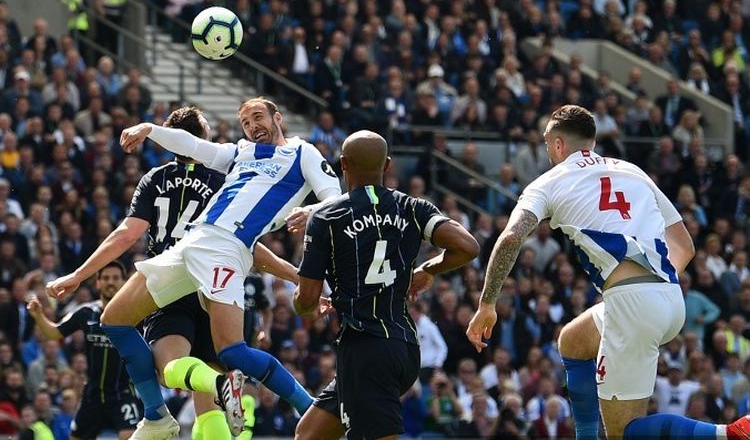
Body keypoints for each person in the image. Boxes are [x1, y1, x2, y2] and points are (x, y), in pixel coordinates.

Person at [48, 97, 341, 438]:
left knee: (233, 350)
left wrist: (313, 211)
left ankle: (311, 407)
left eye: (258, 117)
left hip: (228, 250)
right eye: (246, 121)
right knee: (113, 319)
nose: (252, 126)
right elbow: (195, 145)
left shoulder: (302, 153)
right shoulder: (242, 152)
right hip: (191, 243)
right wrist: (150, 129)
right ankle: (157, 415)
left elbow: (334, 196)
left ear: (278, 117)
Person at [466, 105, 750, 439]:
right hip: (670, 296)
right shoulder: (633, 171)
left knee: (623, 433)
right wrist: (648, 291)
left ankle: (730, 433)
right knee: (572, 341)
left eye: (547, 146)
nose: (548, 154)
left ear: (558, 145)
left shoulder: (548, 183)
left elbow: (512, 237)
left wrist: (487, 304)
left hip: (633, 306)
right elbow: (684, 245)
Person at [293, 130, 480, 440]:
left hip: (366, 347)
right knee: (309, 435)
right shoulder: (413, 208)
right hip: (403, 346)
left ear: (343, 165)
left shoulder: (327, 216)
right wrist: (428, 269)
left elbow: (307, 300)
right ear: (388, 164)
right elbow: (468, 247)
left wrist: (304, 300)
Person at [28, 261, 141, 439]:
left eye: (115, 278)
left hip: (122, 393)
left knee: (130, 437)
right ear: (98, 283)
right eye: (106, 278)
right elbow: (54, 333)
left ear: (124, 282)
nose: (110, 282)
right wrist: (39, 316)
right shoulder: (86, 312)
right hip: (92, 395)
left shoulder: (135, 313)